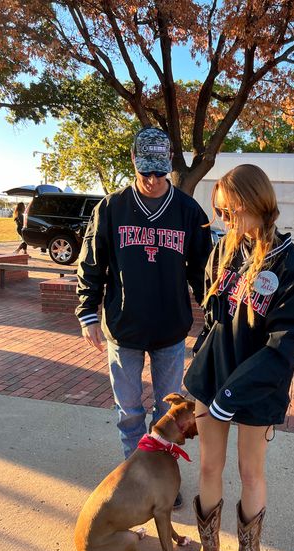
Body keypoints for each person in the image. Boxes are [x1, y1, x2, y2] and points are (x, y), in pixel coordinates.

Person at [184, 164, 294, 551]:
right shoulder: (223, 252)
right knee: (208, 466)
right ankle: (209, 549)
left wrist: (234, 394)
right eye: (218, 212)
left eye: (229, 211)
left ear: (255, 204)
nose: (222, 220)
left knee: (250, 470)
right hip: (213, 378)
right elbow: (211, 313)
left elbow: (285, 342)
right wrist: (202, 364)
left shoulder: (290, 265)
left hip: (257, 386)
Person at [75, 127, 211, 508]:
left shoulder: (187, 211)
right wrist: (87, 311)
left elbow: (202, 270)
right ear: (133, 161)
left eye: (159, 172)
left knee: (168, 413)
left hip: (170, 330)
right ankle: (136, 477)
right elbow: (92, 263)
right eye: (145, 171)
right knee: (129, 411)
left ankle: (165, 480)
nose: (152, 180)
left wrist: (212, 314)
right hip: (124, 329)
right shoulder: (112, 208)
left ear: (169, 165)